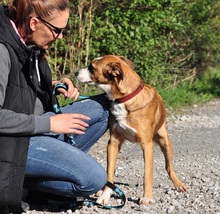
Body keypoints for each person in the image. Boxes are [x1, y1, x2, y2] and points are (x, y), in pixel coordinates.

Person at [0, 0, 110, 213]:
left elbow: (18, 88)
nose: (60, 36)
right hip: (13, 143)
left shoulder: (27, 42)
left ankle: (56, 167)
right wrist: (49, 123)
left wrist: (53, 85)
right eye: (57, 30)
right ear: (34, 23)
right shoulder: (2, 50)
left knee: (104, 109)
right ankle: (24, 182)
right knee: (93, 180)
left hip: (36, 127)